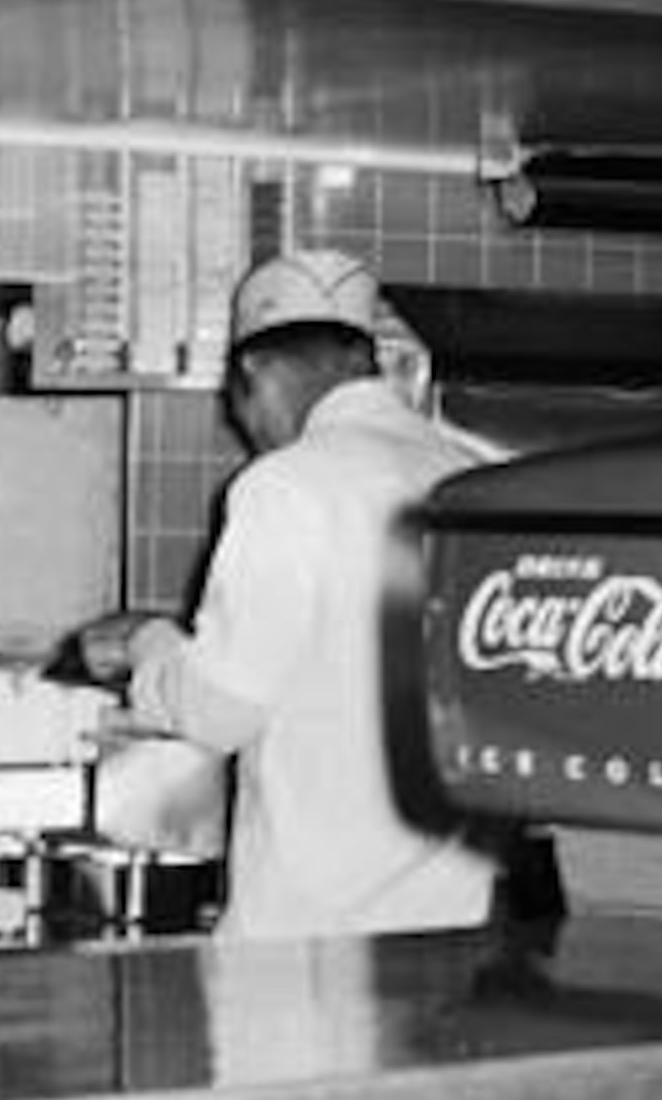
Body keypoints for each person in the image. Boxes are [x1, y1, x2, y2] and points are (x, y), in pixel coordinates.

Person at [61, 246, 499, 944]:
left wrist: (144, 639)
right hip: (454, 923)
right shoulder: (469, 473)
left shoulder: (286, 486)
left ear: (254, 373)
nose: (249, 430)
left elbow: (219, 708)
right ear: (365, 361)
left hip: (313, 936)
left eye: (240, 407)